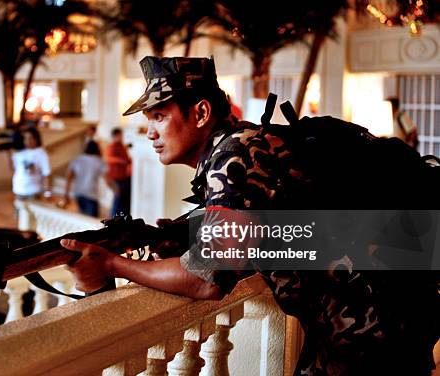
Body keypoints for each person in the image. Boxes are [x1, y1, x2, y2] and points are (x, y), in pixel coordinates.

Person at [61, 57, 438, 375]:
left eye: (159, 116)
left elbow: (207, 278)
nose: (150, 133)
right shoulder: (248, 142)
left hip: (366, 333)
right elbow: (277, 231)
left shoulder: (234, 157)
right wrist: (170, 236)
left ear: (201, 113)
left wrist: (113, 265)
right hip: (380, 319)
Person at [64, 141, 115, 217]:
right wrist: (116, 189)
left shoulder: (77, 160)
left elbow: (69, 178)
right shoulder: (99, 161)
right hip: (91, 195)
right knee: (91, 222)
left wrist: (66, 194)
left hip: (78, 193)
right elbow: (107, 180)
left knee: (82, 218)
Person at [10, 127, 52, 201]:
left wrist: (47, 192)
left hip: (34, 191)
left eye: (30, 138)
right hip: (19, 189)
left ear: (36, 139)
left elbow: (47, 174)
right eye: (25, 138)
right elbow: (14, 169)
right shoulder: (19, 153)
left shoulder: (41, 153)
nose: (28, 141)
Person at [105, 127, 131, 217]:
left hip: (123, 176)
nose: (122, 137)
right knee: (117, 199)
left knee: (122, 200)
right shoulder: (112, 146)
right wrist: (121, 160)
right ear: (116, 135)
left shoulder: (121, 146)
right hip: (116, 177)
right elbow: (108, 158)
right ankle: (113, 219)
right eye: (120, 135)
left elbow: (127, 159)